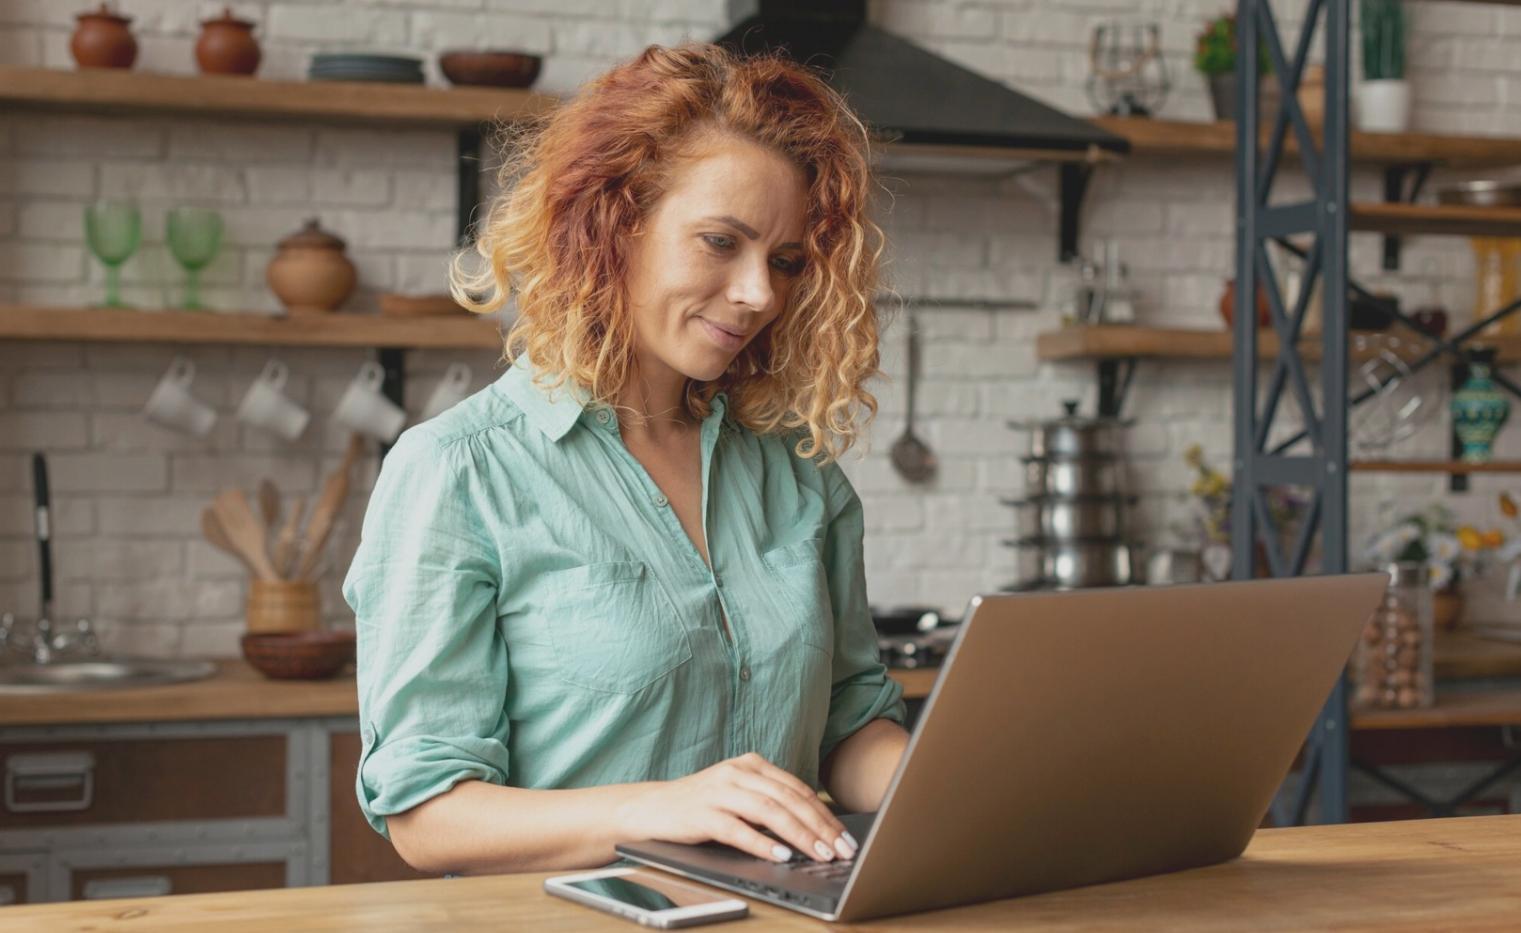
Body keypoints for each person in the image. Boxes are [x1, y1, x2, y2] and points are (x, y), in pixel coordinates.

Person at [343, 42, 907, 877]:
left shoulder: (795, 467)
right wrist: (658, 806)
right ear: (613, 225)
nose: (760, 292)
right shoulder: (456, 471)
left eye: (784, 261)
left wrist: (977, 788)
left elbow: (847, 724)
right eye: (721, 241)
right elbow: (428, 814)